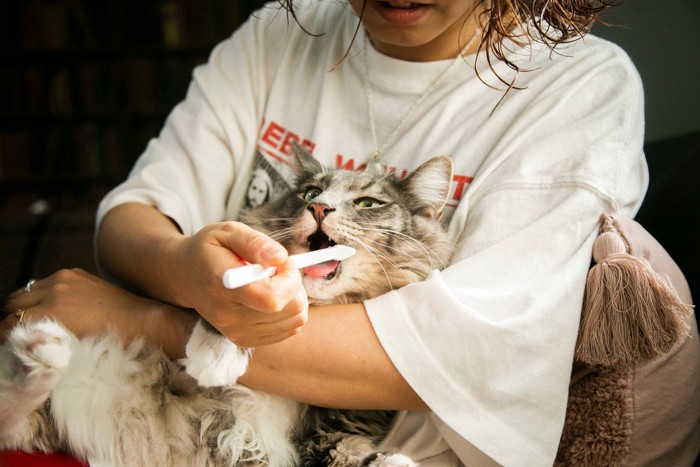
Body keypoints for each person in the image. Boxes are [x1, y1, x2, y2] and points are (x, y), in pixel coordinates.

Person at [3, 0, 699, 465]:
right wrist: (186, 266)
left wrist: (148, 316)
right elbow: (136, 216)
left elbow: (447, 359)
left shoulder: (580, 88)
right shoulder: (281, 32)